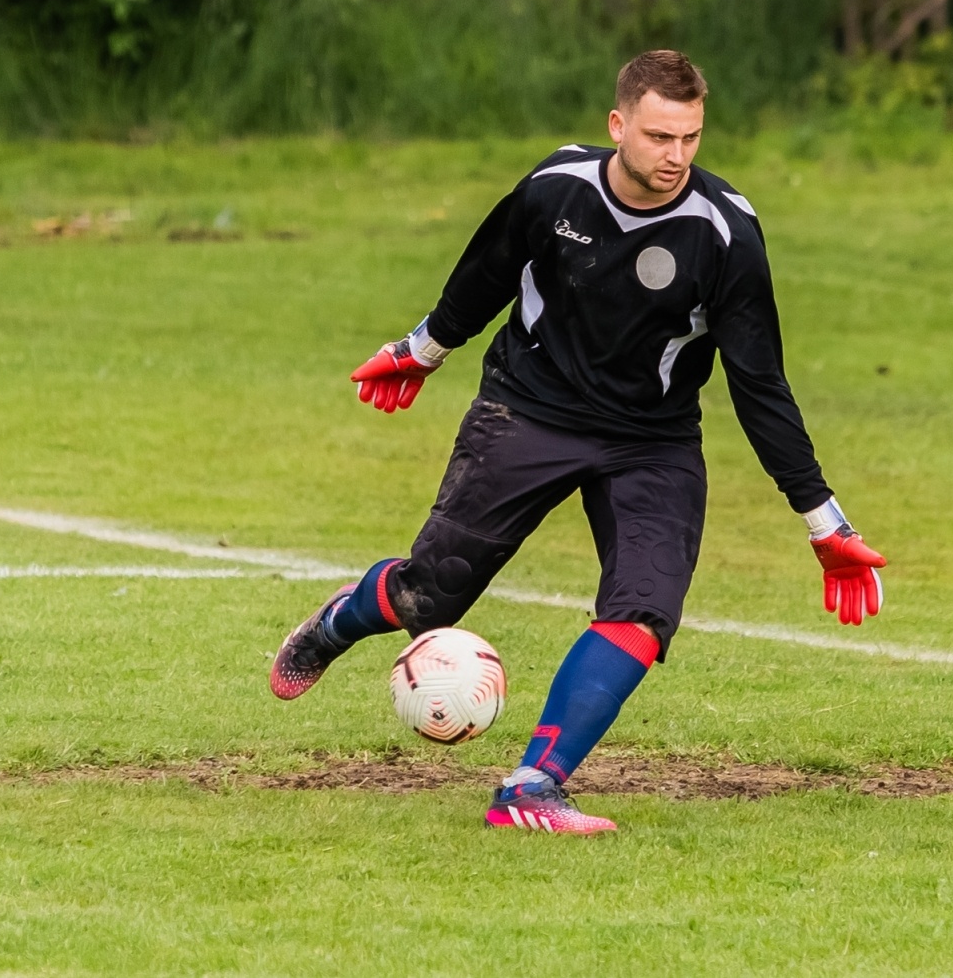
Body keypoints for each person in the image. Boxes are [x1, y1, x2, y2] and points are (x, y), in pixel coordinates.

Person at [270, 49, 887, 834]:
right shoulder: (556, 187)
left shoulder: (724, 232)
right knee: (432, 594)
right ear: (617, 125)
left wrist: (824, 522)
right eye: (660, 136)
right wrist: (422, 349)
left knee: (644, 609)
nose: (677, 157)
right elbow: (486, 273)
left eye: (691, 137)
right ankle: (336, 625)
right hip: (528, 409)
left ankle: (531, 786)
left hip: (651, 442)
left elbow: (759, 382)